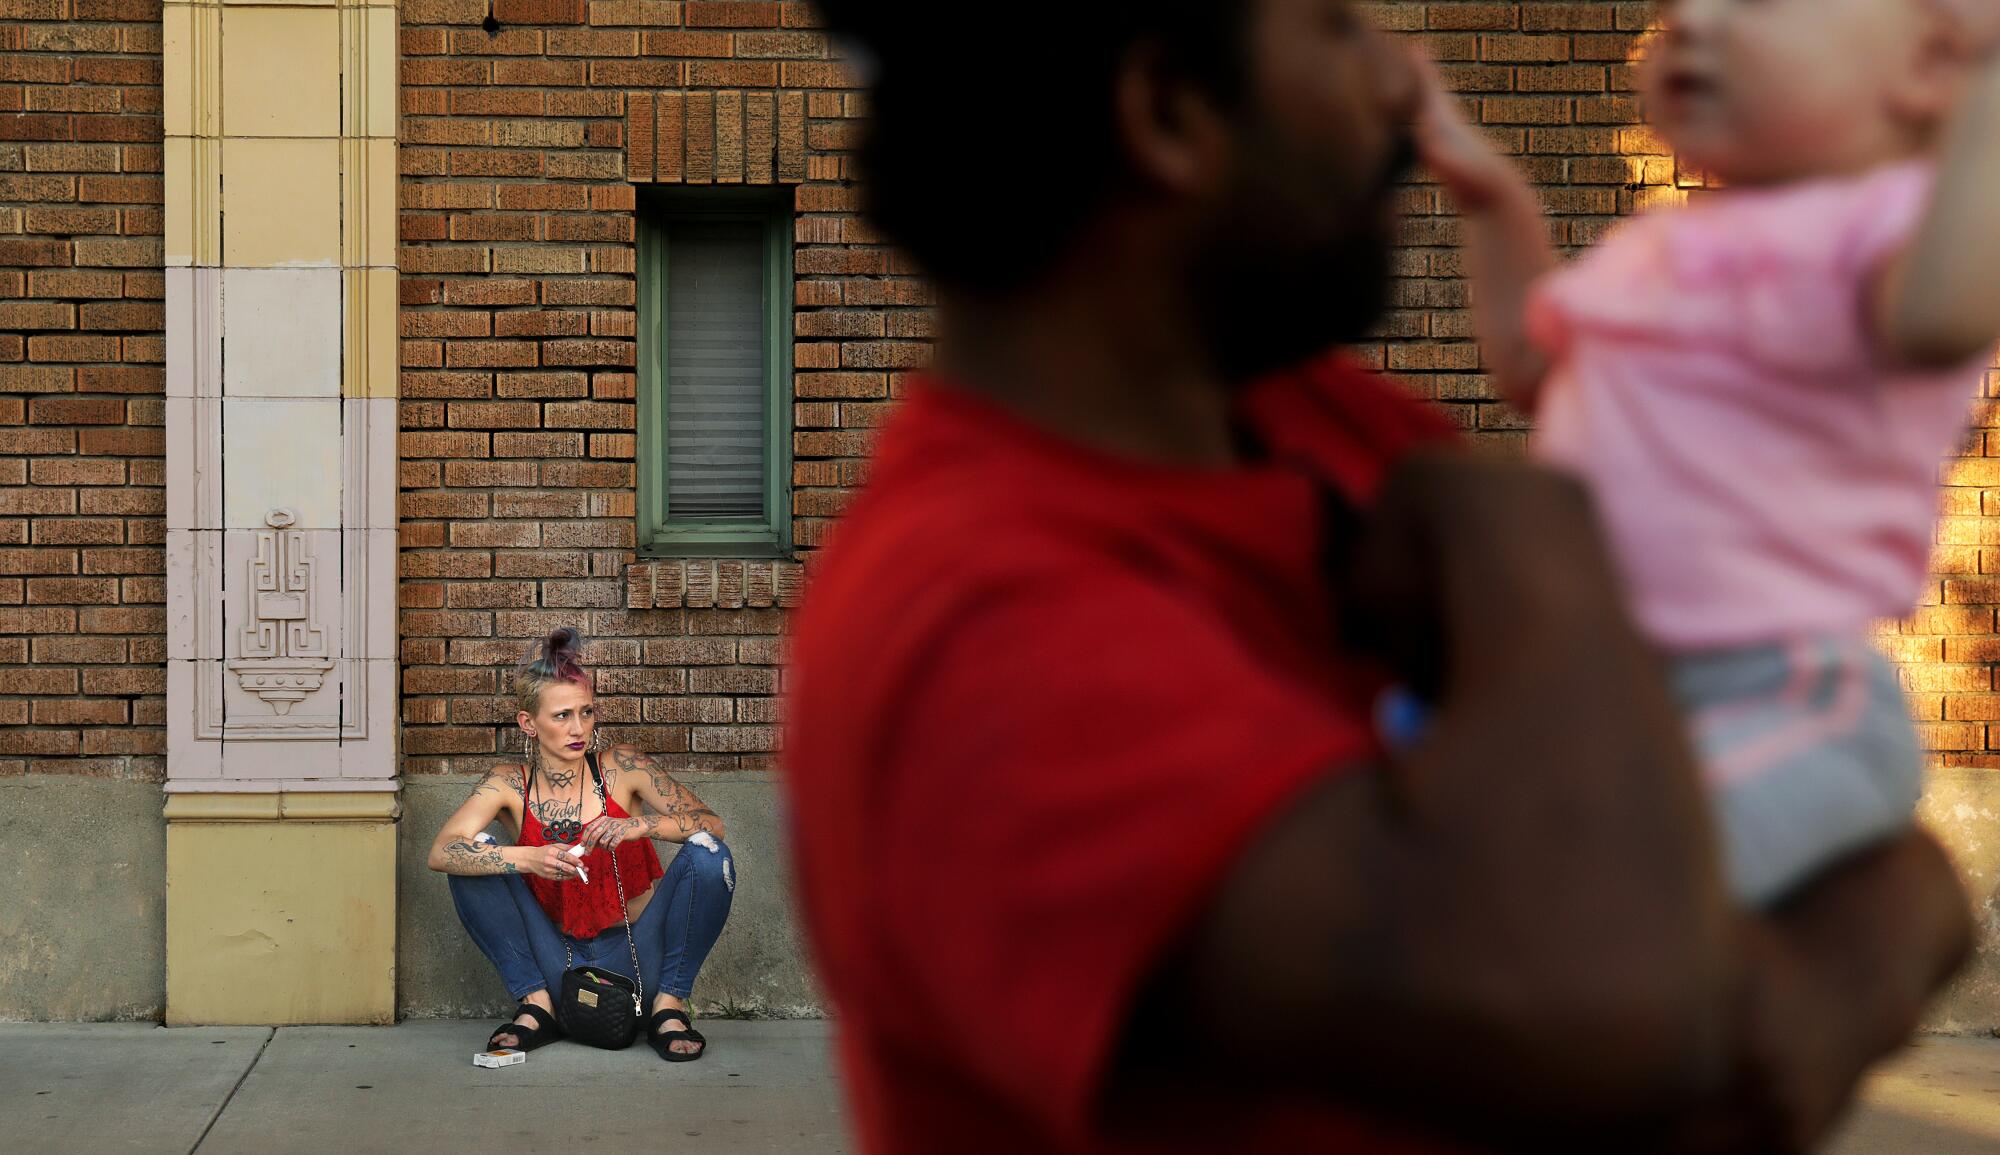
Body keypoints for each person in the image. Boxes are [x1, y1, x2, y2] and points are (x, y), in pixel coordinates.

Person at [784, 1, 1972, 1152]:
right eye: (1339, 25)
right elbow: (1616, 1010)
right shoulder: (982, 637)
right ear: (1170, 113)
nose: (1402, 80)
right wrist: (1523, 531)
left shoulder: (1319, 426)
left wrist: (1863, 944)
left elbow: (1883, 878)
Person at [1415, 0, 2000, 905]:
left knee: (1626, 883)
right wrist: (1497, 204)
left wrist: (1989, 89)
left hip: (1780, 692)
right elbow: (1535, 369)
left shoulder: (1887, 229)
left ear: (1926, 71)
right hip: (1591, 671)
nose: (1691, 21)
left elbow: (1943, 317)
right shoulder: (1658, 243)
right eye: (1675, 5)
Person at [427, 627, 736, 1061]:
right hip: (557, 962)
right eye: (562, 716)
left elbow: (712, 825)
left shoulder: (623, 766)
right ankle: (536, 1007)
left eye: (586, 712)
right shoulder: (508, 783)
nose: (579, 728)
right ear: (528, 724)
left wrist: (640, 825)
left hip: (635, 956)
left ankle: (669, 1007)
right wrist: (527, 858)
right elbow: (441, 851)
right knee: (471, 856)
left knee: (709, 855)